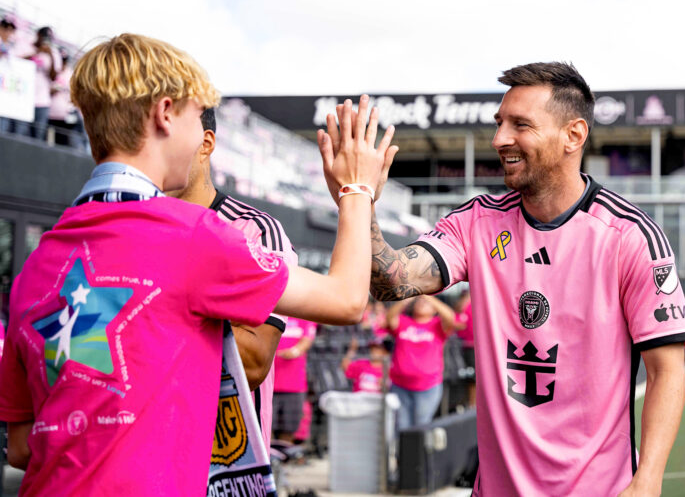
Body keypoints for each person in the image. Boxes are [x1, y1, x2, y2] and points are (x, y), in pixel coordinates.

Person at [0, 33, 397, 495]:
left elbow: (23, 446)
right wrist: (355, 191)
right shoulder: (191, 236)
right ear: (165, 113)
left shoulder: (39, 261)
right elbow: (348, 300)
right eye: (196, 114)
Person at [320, 62, 685, 495]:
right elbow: (391, 282)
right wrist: (356, 197)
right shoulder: (477, 220)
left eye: (521, 125)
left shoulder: (630, 236)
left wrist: (648, 480)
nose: (500, 139)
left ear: (573, 135)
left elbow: (667, 372)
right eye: (500, 124)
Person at [167, 106, 294, 451]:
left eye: (169, 132)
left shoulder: (254, 230)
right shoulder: (131, 225)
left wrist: (150, 319)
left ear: (206, 143)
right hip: (151, 461)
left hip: (228, 465)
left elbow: (252, 362)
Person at [385, 295, 454, 430]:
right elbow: (389, 318)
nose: (422, 303)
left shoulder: (437, 325)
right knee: (401, 427)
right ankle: (403, 452)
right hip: (400, 386)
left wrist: (427, 296)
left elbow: (450, 317)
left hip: (427, 387)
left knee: (420, 428)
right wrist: (408, 298)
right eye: (419, 301)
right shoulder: (404, 322)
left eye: (426, 303)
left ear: (435, 309)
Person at [272, 317, 316, 443]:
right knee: (265, 427)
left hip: (294, 385)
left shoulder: (304, 317)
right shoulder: (271, 313)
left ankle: (284, 458)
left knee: (289, 429)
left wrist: (295, 351)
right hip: (268, 384)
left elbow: (307, 341)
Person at [22, 27, 62, 139]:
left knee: (37, 136)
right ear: (38, 35)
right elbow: (18, 62)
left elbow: (54, 77)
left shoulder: (53, 53)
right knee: (20, 134)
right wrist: (37, 52)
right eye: (44, 37)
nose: (46, 40)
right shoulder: (28, 46)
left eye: (48, 38)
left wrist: (50, 56)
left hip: (42, 101)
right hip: (24, 98)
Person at [48, 48, 86, 150]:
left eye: (64, 61)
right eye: (61, 60)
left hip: (65, 116)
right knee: (47, 142)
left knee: (62, 143)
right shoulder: (52, 72)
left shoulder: (71, 75)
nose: (62, 63)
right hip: (50, 113)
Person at [454, 289, 476, 407]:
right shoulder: (463, 306)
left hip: (478, 346)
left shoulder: (475, 305)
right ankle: (472, 405)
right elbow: (458, 324)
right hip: (468, 346)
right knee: (471, 378)